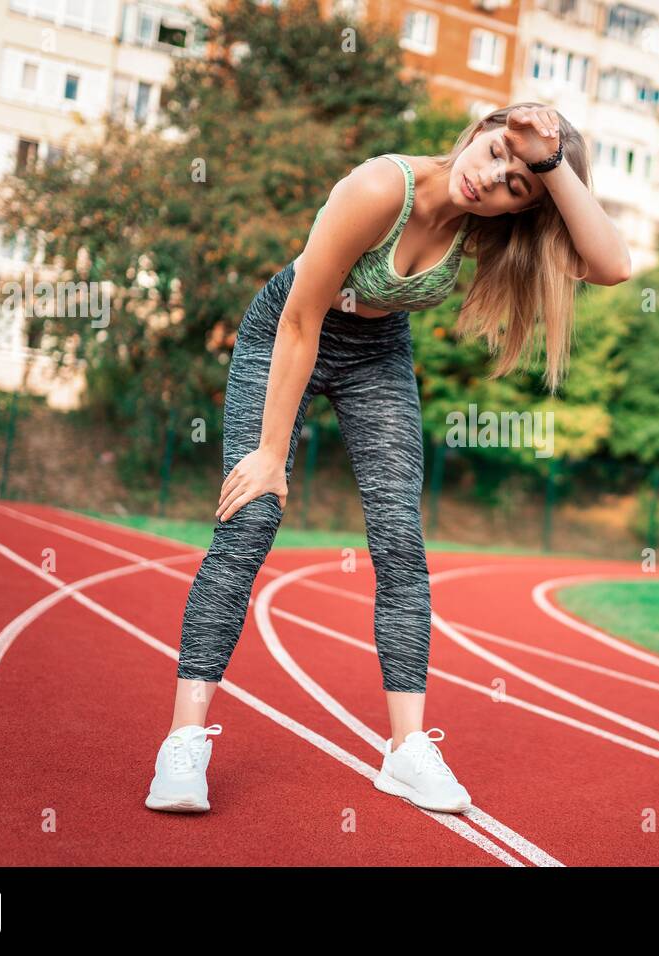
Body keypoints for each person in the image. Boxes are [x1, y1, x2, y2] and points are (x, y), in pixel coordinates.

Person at [145, 103, 632, 815]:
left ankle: (407, 750)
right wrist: (273, 456)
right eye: (497, 152)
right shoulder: (381, 188)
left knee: (401, 542)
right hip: (285, 334)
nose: (490, 179)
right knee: (250, 520)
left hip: (377, 355)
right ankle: (184, 742)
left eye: (515, 187)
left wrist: (551, 164)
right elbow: (300, 320)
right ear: (476, 129)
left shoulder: (482, 229)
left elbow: (613, 265)